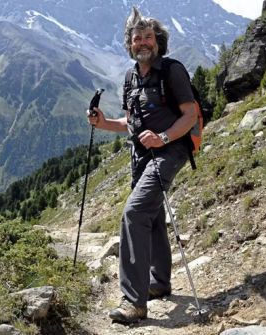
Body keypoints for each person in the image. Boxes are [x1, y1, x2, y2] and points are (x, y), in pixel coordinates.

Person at [87, 6, 197, 323]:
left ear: (158, 41)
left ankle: (134, 302)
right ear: (130, 44)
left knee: (134, 212)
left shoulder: (172, 71)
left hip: (170, 151)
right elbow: (131, 123)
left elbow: (189, 115)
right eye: (137, 38)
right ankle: (159, 284)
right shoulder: (130, 77)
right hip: (141, 156)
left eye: (148, 37)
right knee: (151, 215)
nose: (143, 42)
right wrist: (104, 122)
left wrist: (163, 137)